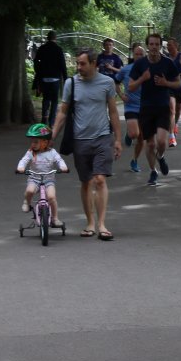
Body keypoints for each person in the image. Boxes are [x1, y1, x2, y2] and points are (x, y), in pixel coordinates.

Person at [51, 49, 122, 240]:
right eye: (77, 63)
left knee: (100, 179)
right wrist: (51, 136)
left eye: (82, 63)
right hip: (80, 140)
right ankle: (90, 222)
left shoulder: (107, 83)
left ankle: (101, 224)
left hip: (102, 137)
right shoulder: (71, 83)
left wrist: (117, 139)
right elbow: (63, 112)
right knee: (86, 181)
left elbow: (113, 112)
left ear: (94, 63)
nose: (78, 67)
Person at [128, 33, 181, 186]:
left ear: (160, 46)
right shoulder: (140, 64)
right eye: (151, 44)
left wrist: (166, 83)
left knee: (162, 142)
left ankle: (161, 156)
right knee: (150, 144)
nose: (154, 47)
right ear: (147, 46)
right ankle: (153, 171)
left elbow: (178, 83)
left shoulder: (168, 63)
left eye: (157, 44)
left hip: (163, 107)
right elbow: (130, 87)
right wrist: (142, 79)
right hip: (146, 108)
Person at [16, 123, 69, 227]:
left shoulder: (52, 152)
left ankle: (55, 218)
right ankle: (27, 202)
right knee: (29, 190)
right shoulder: (31, 152)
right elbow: (24, 160)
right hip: (34, 178)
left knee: (52, 197)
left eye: (36, 142)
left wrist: (63, 167)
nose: (33, 144)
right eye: (31, 142)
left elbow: (59, 160)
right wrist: (21, 168)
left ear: (45, 142)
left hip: (48, 180)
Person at [115, 43, 146, 173]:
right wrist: (121, 95)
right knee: (134, 133)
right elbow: (115, 82)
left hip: (145, 107)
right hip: (131, 106)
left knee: (141, 139)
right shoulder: (126, 69)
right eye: (136, 54)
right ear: (133, 55)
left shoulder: (148, 69)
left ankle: (134, 160)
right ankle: (129, 133)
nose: (138, 56)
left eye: (141, 54)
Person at [33, 31, 68, 127]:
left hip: (44, 78)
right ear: (55, 38)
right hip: (55, 78)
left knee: (46, 99)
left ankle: (44, 117)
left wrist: (38, 70)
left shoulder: (42, 48)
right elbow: (62, 65)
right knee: (55, 101)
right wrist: (66, 78)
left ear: (47, 38)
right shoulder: (58, 49)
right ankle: (52, 121)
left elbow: (36, 61)